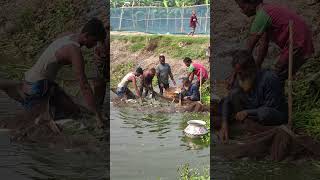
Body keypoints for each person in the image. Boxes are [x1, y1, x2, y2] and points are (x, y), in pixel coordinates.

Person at [0, 18, 107, 128]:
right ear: (86, 36)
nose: (95, 45)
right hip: (39, 88)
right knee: (70, 123)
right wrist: (98, 116)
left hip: (34, 81)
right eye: (94, 41)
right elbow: (84, 85)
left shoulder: (68, 36)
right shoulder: (74, 51)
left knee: (75, 110)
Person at [234, 0, 314, 88]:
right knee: (280, 76)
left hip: (297, 43)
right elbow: (263, 46)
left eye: (242, 7)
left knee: (275, 76)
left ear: (251, 4)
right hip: (303, 41)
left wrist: (233, 76)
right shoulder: (267, 11)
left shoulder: (261, 16)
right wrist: (256, 68)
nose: (242, 11)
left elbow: (247, 52)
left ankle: (273, 98)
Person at [218, 50, 288, 142]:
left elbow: (270, 108)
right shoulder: (241, 78)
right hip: (253, 108)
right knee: (231, 97)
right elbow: (228, 100)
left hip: (273, 113)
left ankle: (252, 127)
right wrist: (224, 124)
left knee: (264, 114)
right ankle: (243, 124)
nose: (240, 76)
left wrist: (247, 112)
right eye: (238, 73)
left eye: (241, 73)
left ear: (251, 69)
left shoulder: (269, 78)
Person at [93, 37, 108, 108]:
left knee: (102, 82)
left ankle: (98, 105)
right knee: (99, 82)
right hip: (101, 55)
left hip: (106, 54)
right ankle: (97, 107)